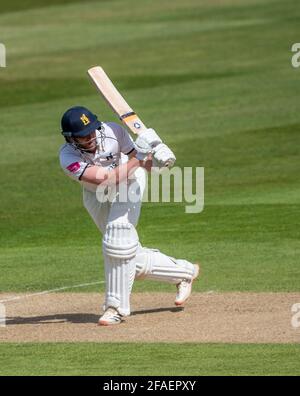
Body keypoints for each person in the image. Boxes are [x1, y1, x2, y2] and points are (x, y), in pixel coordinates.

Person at [59, 106, 200, 326]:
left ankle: (116, 308)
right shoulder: (67, 157)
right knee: (125, 252)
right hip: (97, 193)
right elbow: (107, 179)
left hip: (130, 182)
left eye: (92, 131)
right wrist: (141, 155)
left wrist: (160, 158)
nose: (89, 138)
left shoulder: (114, 131)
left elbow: (146, 166)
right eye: (82, 136)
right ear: (70, 138)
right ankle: (184, 272)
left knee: (117, 238)